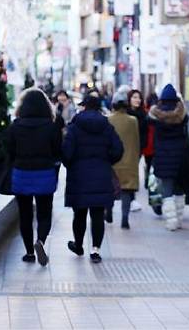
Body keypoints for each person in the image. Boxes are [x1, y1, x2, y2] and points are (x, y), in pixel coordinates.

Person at [63, 94, 124, 263]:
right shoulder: (107, 126)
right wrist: (106, 161)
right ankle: (95, 250)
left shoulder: (74, 127)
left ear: (84, 106)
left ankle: (79, 244)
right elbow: (118, 149)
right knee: (97, 214)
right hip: (101, 174)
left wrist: (72, 165)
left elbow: (66, 152)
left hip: (79, 176)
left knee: (80, 213)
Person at [5, 87, 62, 266]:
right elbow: (57, 151)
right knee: (45, 213)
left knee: (25, 214)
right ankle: (41, 241)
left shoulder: (15, 127)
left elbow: (9, 151)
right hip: (45, 173)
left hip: (21, 174)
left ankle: (29, 251)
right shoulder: (52, 126)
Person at [148, 84, 188, 231]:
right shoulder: (182, 115)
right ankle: (179, 219)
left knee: (167, 190)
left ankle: (171, 222)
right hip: (180, 156)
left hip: (163, 157)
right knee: (179, 188)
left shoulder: (155, 116)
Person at [109, 88, 140, 229]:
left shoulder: (108, 120)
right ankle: (124, 218)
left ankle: (108, 212)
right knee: (127, 190)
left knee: (110, 188)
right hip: (129, 161)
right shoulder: (133, 121)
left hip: (112, 161)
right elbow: (136, 141)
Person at [126, 88, 148, 213]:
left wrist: (142, 146)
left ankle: (131, 198)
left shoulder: (143, 114)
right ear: (129, 99)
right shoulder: (126, 113)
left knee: (133, 172)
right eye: (134, 97)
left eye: (139, 97)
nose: (137, 100)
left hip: (137, 148)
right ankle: (127, 198)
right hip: (126, 147)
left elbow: (144, 132)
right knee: (127, 172)